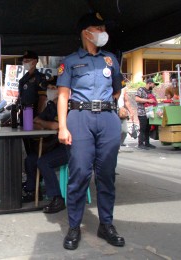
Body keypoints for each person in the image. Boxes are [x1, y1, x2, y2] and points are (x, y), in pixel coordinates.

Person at [57, 13, 125, 250]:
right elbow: (63, 95)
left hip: (107, 118)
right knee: (79, 174)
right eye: (98, 27)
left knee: (107, 175)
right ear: (86, 32)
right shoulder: (71, 61)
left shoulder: (110, 60)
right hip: (80, 118)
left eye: (103, 27)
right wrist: (63, 127)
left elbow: (117, 89)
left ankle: (106, 225)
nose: (103, 31)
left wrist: (109, 107)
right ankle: (74, 226)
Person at [22, 97, 67, 214]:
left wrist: (45, 124)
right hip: (54, 146)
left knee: (44, 162)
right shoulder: (52, 107)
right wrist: (46, 124)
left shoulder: (72, 107)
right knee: (30, 160)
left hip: (70, 147)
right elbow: (35, 121)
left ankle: (57, 198)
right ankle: (32, 192)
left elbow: (57, 126)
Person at [17, 50, 48, 155]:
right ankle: (30, 166)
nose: (24, 62)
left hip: (33, 113)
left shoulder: (40, 77)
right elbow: (21, 96)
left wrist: (38, 116)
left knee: (34, 143)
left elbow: (43, 97)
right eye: (24, 61)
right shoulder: (23, 79)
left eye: (27, 60)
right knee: (26, 141)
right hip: (23, 113)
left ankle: (35, 168)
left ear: (34, 62)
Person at [135, 78, 158, 150]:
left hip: (149, 112)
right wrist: (148, 100)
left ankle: (147, 143)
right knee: (143, 128)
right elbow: (137, 99)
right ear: (149, 83)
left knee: (148, 128)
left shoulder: (150, 91)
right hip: (142, 112)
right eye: (153, 84)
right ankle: (140, 143)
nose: (154, 86)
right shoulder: (141, 90)